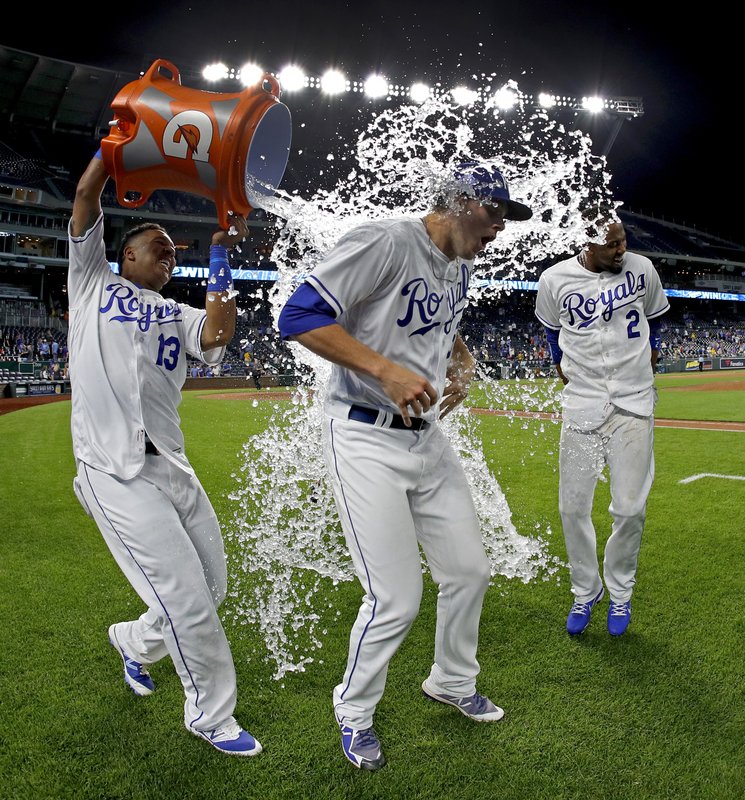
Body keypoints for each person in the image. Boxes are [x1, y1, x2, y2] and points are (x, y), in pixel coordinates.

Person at [277, 161, 533, 771]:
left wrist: (461, 361)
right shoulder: (386, 241)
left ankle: (451, 679)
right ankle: (355, 710)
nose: (500, 227)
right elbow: (299, 317)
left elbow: (445, 327)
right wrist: (386, 370)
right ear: (461, 200)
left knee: (469, 571)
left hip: (428, 439)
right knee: (395, 597)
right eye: (495, 212)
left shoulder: (459, 265)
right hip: (363, 437)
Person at [67, 147, 261, 756]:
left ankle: (134, 640)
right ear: (125, 254)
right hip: (113, 469)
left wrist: (222, 255)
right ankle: (211, 715)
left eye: (175, 249)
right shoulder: (92, 280)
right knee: (186, 596)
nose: (168, 250)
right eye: (157, 242)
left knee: (214, 584)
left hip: (171, 464)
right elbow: (84, 200)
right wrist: (109, 152)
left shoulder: (175, 312)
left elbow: (217, 332)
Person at [534, 207, 669, 637]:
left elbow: (657, 319)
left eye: (623, 239)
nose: (621, 248)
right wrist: (559, 362)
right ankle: (584, 590)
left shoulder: (642, 269)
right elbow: (552, 331)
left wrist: (654, 353)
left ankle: (621, 595)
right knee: (571, 508)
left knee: (630, 509)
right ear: (586, 243)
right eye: (612, 243)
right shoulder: (555, 280)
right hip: (583, 402)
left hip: (633, 401)